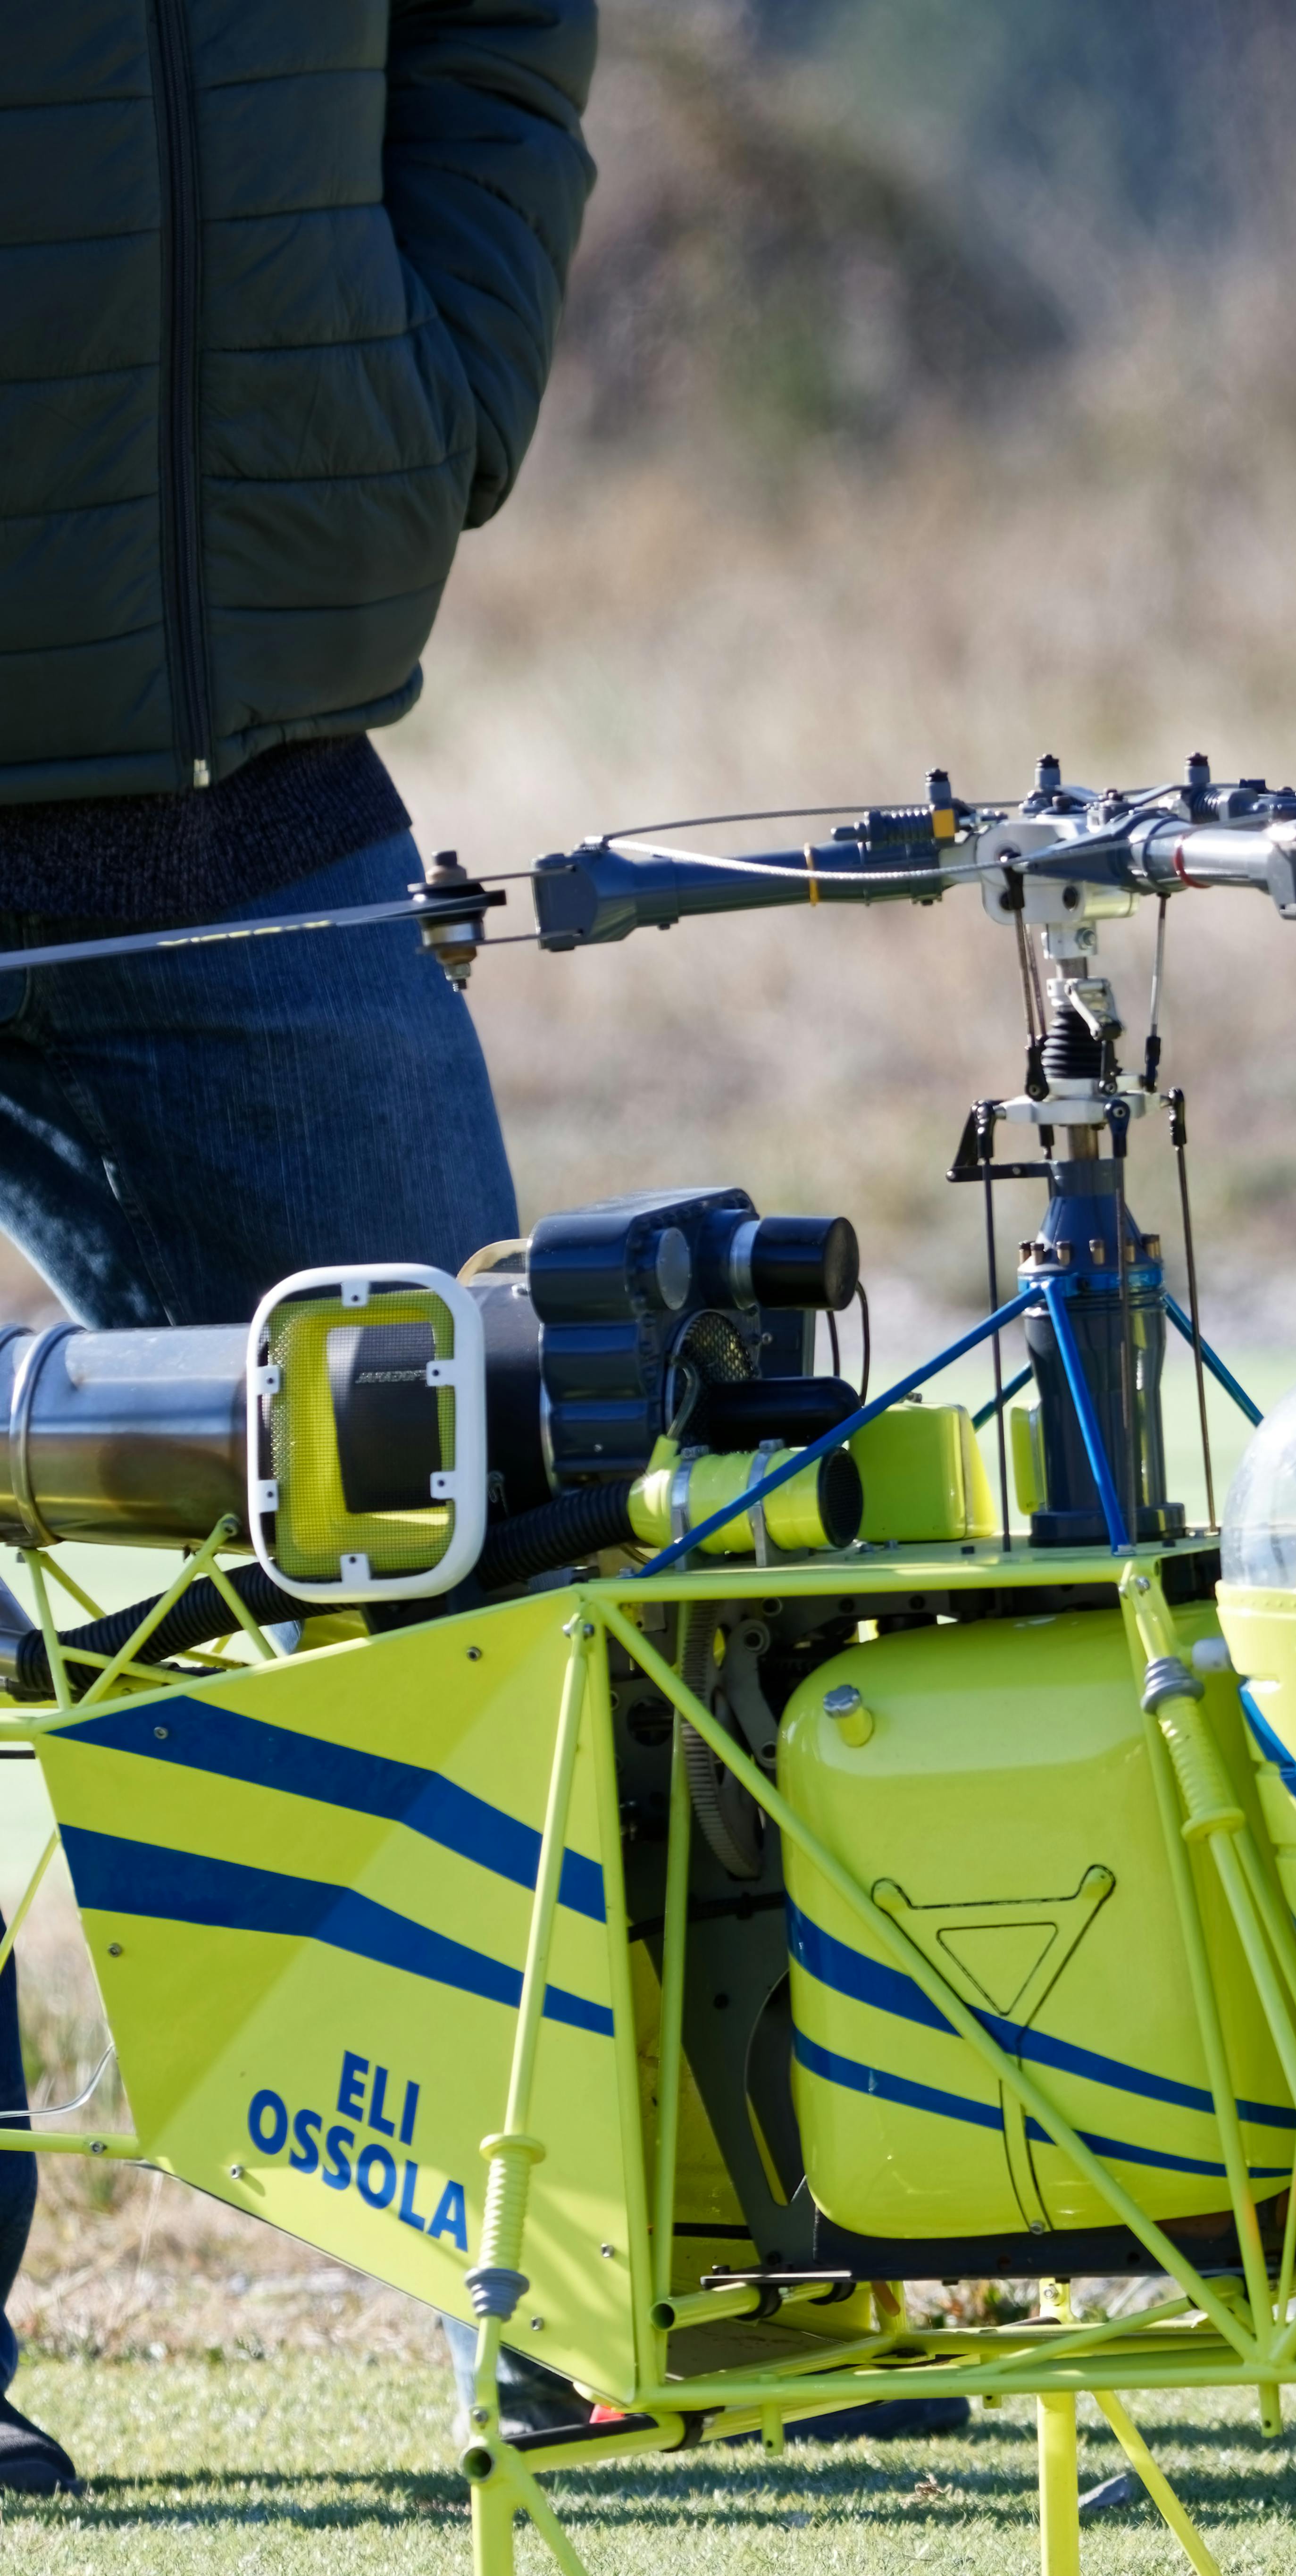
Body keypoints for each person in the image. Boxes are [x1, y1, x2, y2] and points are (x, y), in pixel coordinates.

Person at [0, 0, 611, 2492]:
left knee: (476, 1519)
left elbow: (497, 32)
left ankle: (590, 2287)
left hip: (244, 793)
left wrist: (429, 388)